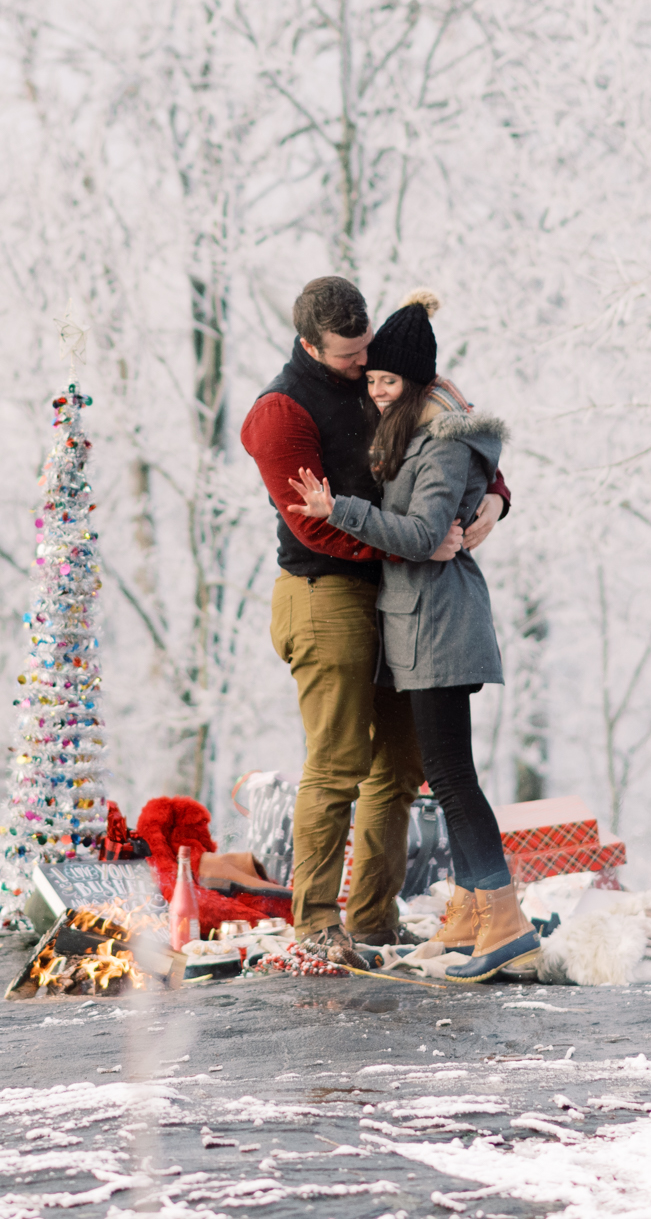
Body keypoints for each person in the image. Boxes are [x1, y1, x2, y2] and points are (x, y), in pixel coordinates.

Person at [239, 277, 510, 967]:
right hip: (325, 590)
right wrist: (418, 542)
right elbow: (317, 527)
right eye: (348, 357)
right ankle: (318, 924)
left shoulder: (383, 375)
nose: (364, 368)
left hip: (397, 595)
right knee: (337, 762)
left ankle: (374, 919)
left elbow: (447, 436)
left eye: (368, 352)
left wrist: (494, 500)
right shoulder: (281, 413)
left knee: (401, 765)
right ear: (309, 345)